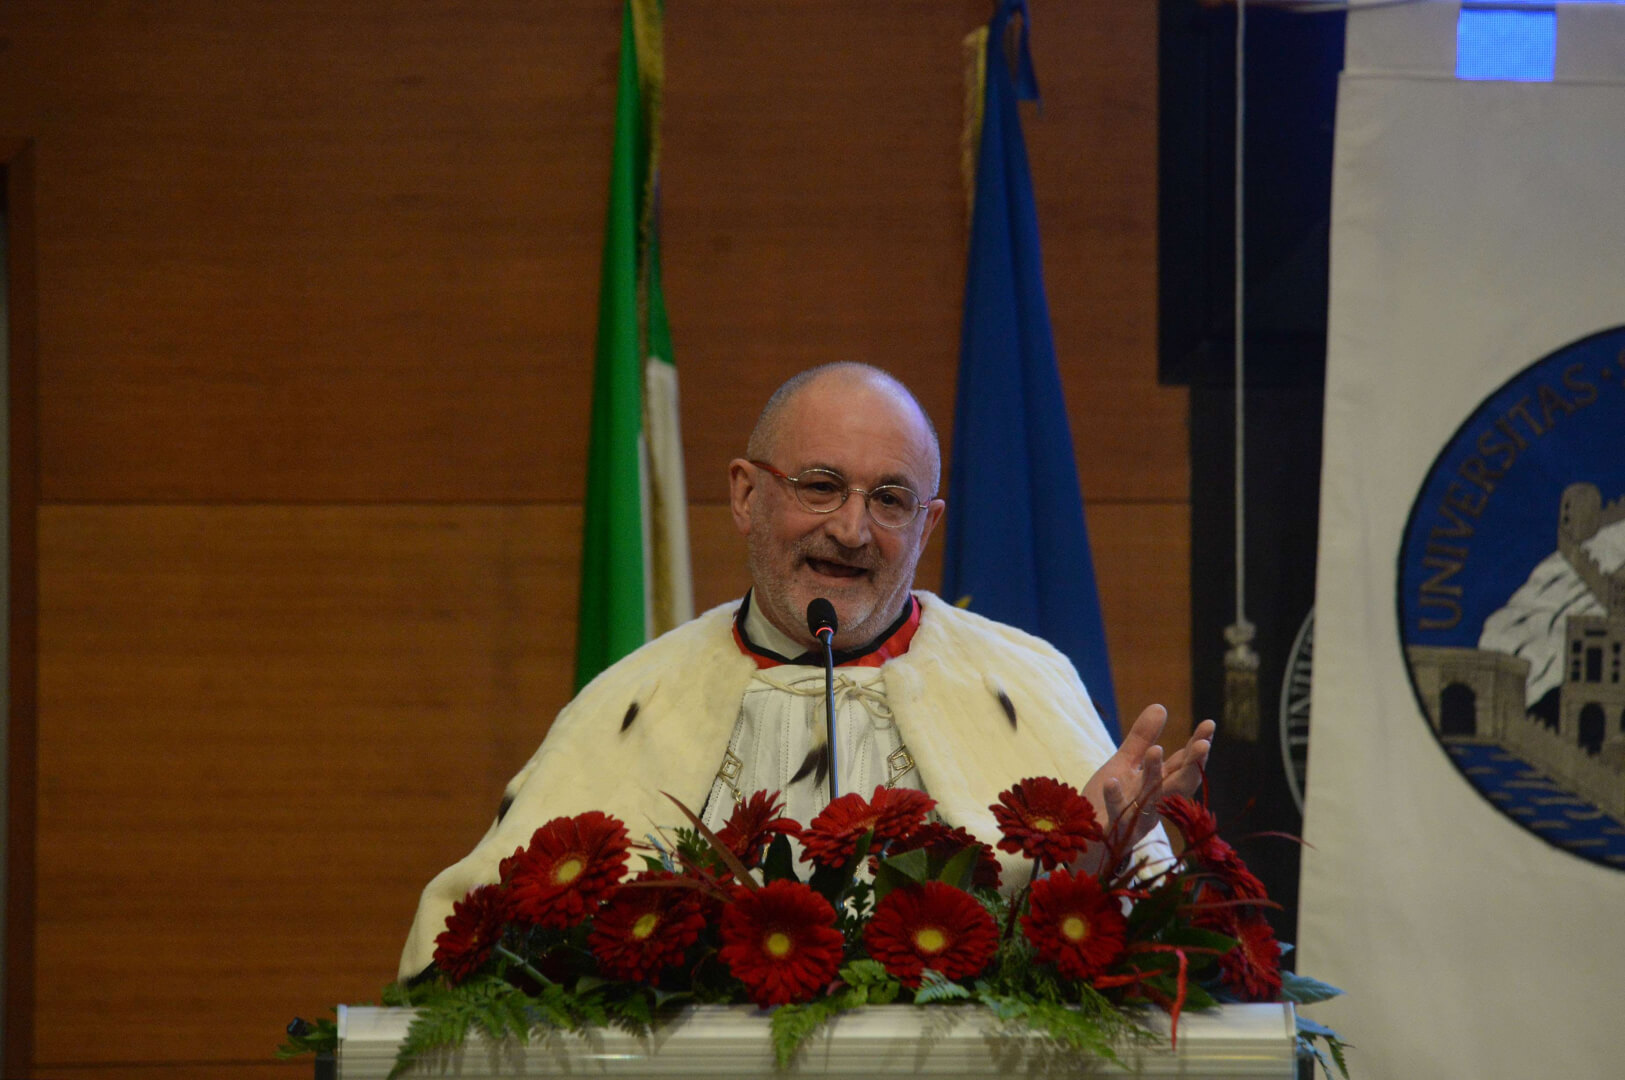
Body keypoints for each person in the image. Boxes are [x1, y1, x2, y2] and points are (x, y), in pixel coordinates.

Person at [398, 363, 1214, 980]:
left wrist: (1093, 861)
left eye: (890, 500)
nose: (852, 530)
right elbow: (477, 945)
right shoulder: (632, 696)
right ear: (745, 495)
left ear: (927, 525)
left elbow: (1144, 966)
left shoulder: (1027, 680)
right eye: (820, 487)